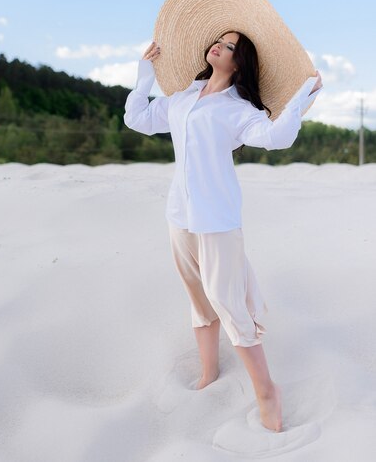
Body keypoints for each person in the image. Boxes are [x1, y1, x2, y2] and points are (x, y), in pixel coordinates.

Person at [124, 29, 323, 433]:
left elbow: (277, 137)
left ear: (239, 63)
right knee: (197, 296)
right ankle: (209, 372)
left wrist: (304, 92)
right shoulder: (182, 99)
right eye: (219, 40)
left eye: (231, 47)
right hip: (178, 214)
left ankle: (267, 391)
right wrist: (145, 74)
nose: (220, 46)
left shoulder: (238, 111)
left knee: (228, 303)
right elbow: (137, 119)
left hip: (216, 220)